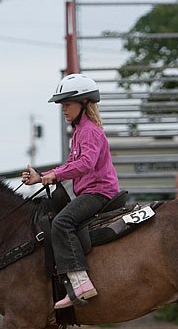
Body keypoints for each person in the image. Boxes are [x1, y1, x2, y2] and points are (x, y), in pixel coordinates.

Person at [22, 73, 119, 309]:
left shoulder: (89, 132)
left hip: (98, 193)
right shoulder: (79, 132)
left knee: (62, 223)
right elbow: (69, 165)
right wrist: (42, 178)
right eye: (62, 105)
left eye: (67, 104)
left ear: (84, 103)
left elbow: (86, 163)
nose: (63, 110)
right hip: (89, 193)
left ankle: (80, 282)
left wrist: (53, 176)